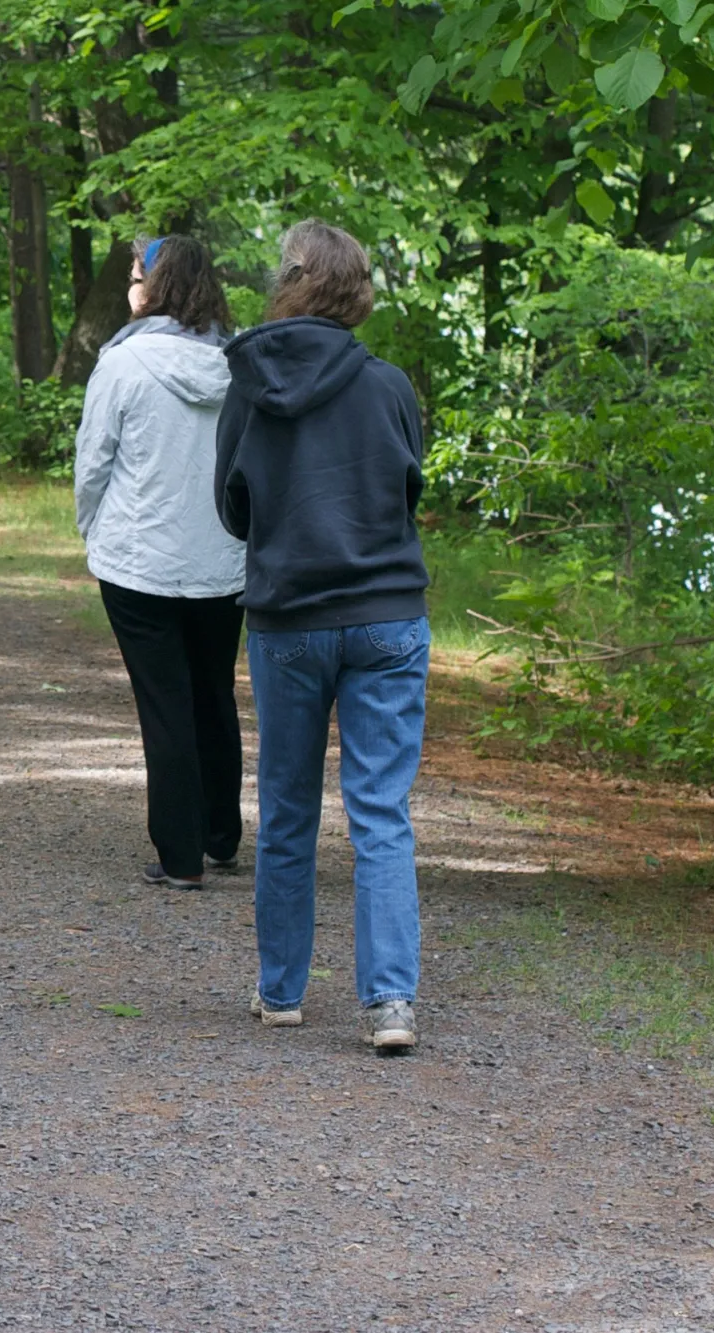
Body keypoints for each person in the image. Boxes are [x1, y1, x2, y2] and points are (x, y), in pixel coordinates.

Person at [213, 219, 432, 1054]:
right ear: (357, 288)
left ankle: (281, 992)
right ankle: (389, 1005)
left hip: (289, 619)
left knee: (288, 805)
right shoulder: (389, 387)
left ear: (290, 279)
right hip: (386, 616)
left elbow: (230, 507)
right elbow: (407, 491)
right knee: (380, 811)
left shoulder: (252, 382)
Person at [74, 234, 245, 891]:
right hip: (222, 559)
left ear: (155, 285)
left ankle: (179, 855)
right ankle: (220, 836)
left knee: (165, 702)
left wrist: (92, 528)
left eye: (136, 272)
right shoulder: (240, 364)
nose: (128, 284)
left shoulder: (125, 363)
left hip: (139, 563)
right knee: (211, 694)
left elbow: (95, 462)